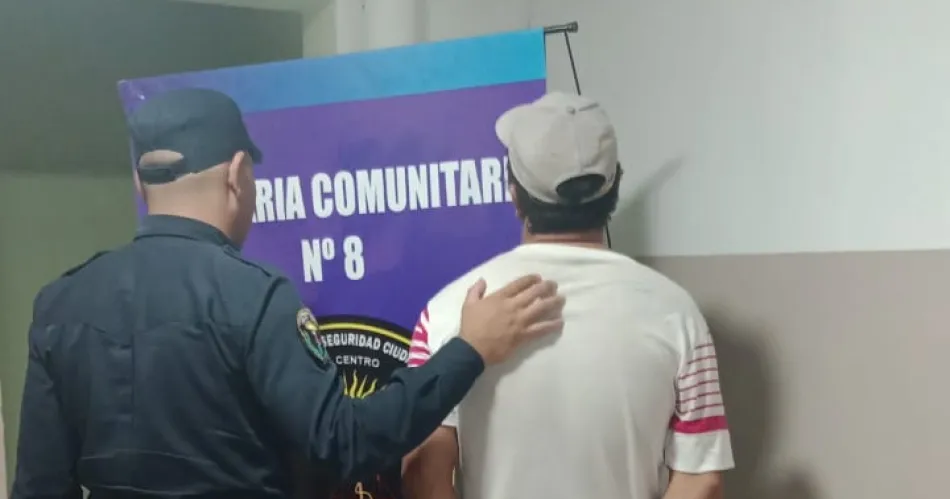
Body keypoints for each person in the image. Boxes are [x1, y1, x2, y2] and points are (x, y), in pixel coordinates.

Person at [11, 88, 566, 499]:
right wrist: (468, 350)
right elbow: (345, 443)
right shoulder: (253, 297)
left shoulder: (59, 304)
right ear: (238, 174)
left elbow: (39, 486)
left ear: (140, 182)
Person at [401, 92, 735, 499]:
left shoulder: (446, 313)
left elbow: (423, 474)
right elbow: (701, 479)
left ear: (514, 192)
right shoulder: (678, 316)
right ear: (614, 186)